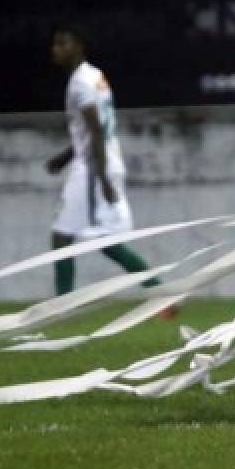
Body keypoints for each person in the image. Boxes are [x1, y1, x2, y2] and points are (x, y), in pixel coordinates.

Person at [46, 24, 173, 317]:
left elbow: (96, 129)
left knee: (62, 236)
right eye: (55, 44)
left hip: (93, 167)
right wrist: (66, 157)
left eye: (61, 43)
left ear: (78, 45)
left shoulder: (80, 82)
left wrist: (101, 178)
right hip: (102, 161)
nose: (55, 50)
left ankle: (62, 307)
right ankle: (160, 295)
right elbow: (94, 129)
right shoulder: (95, 76)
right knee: (105, 241)